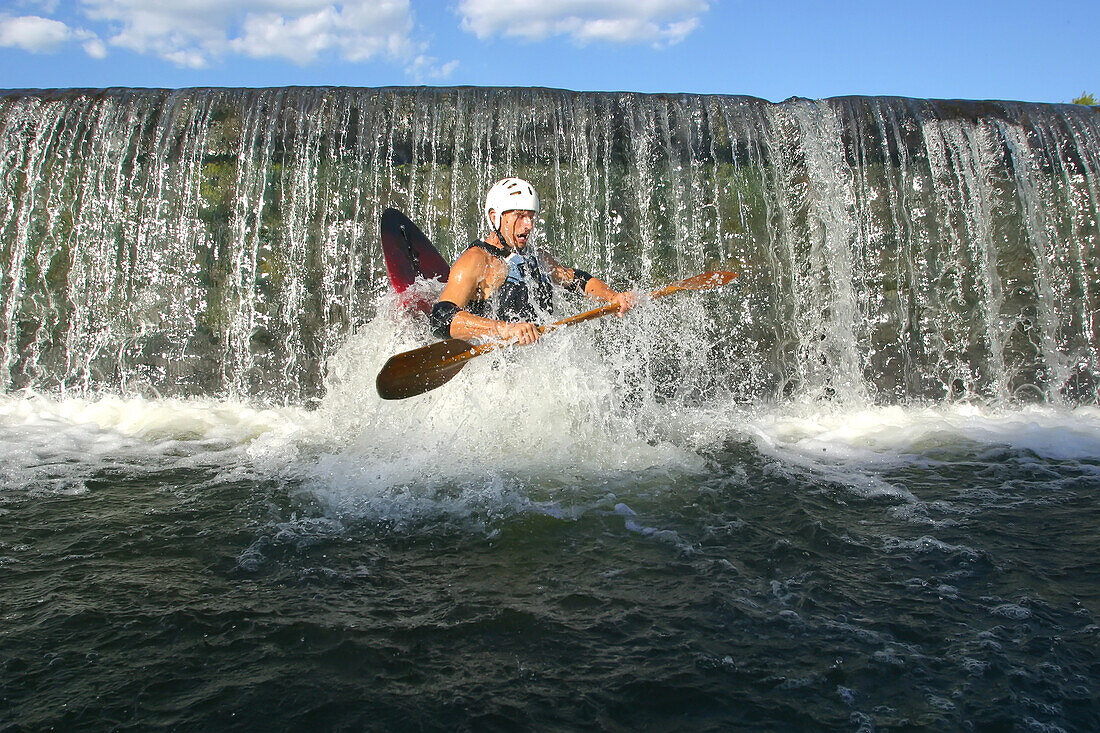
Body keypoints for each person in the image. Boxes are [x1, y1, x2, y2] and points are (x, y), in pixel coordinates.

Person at [430, 177, 636, 344]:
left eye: (531, 217)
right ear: (495, 217)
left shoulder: (536, 257)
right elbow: (441, 319)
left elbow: (579, 281)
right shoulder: (475, 260)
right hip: (493, 374)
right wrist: (506, 330)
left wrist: (612, 296)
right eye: (520, 216)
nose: (528, 225)